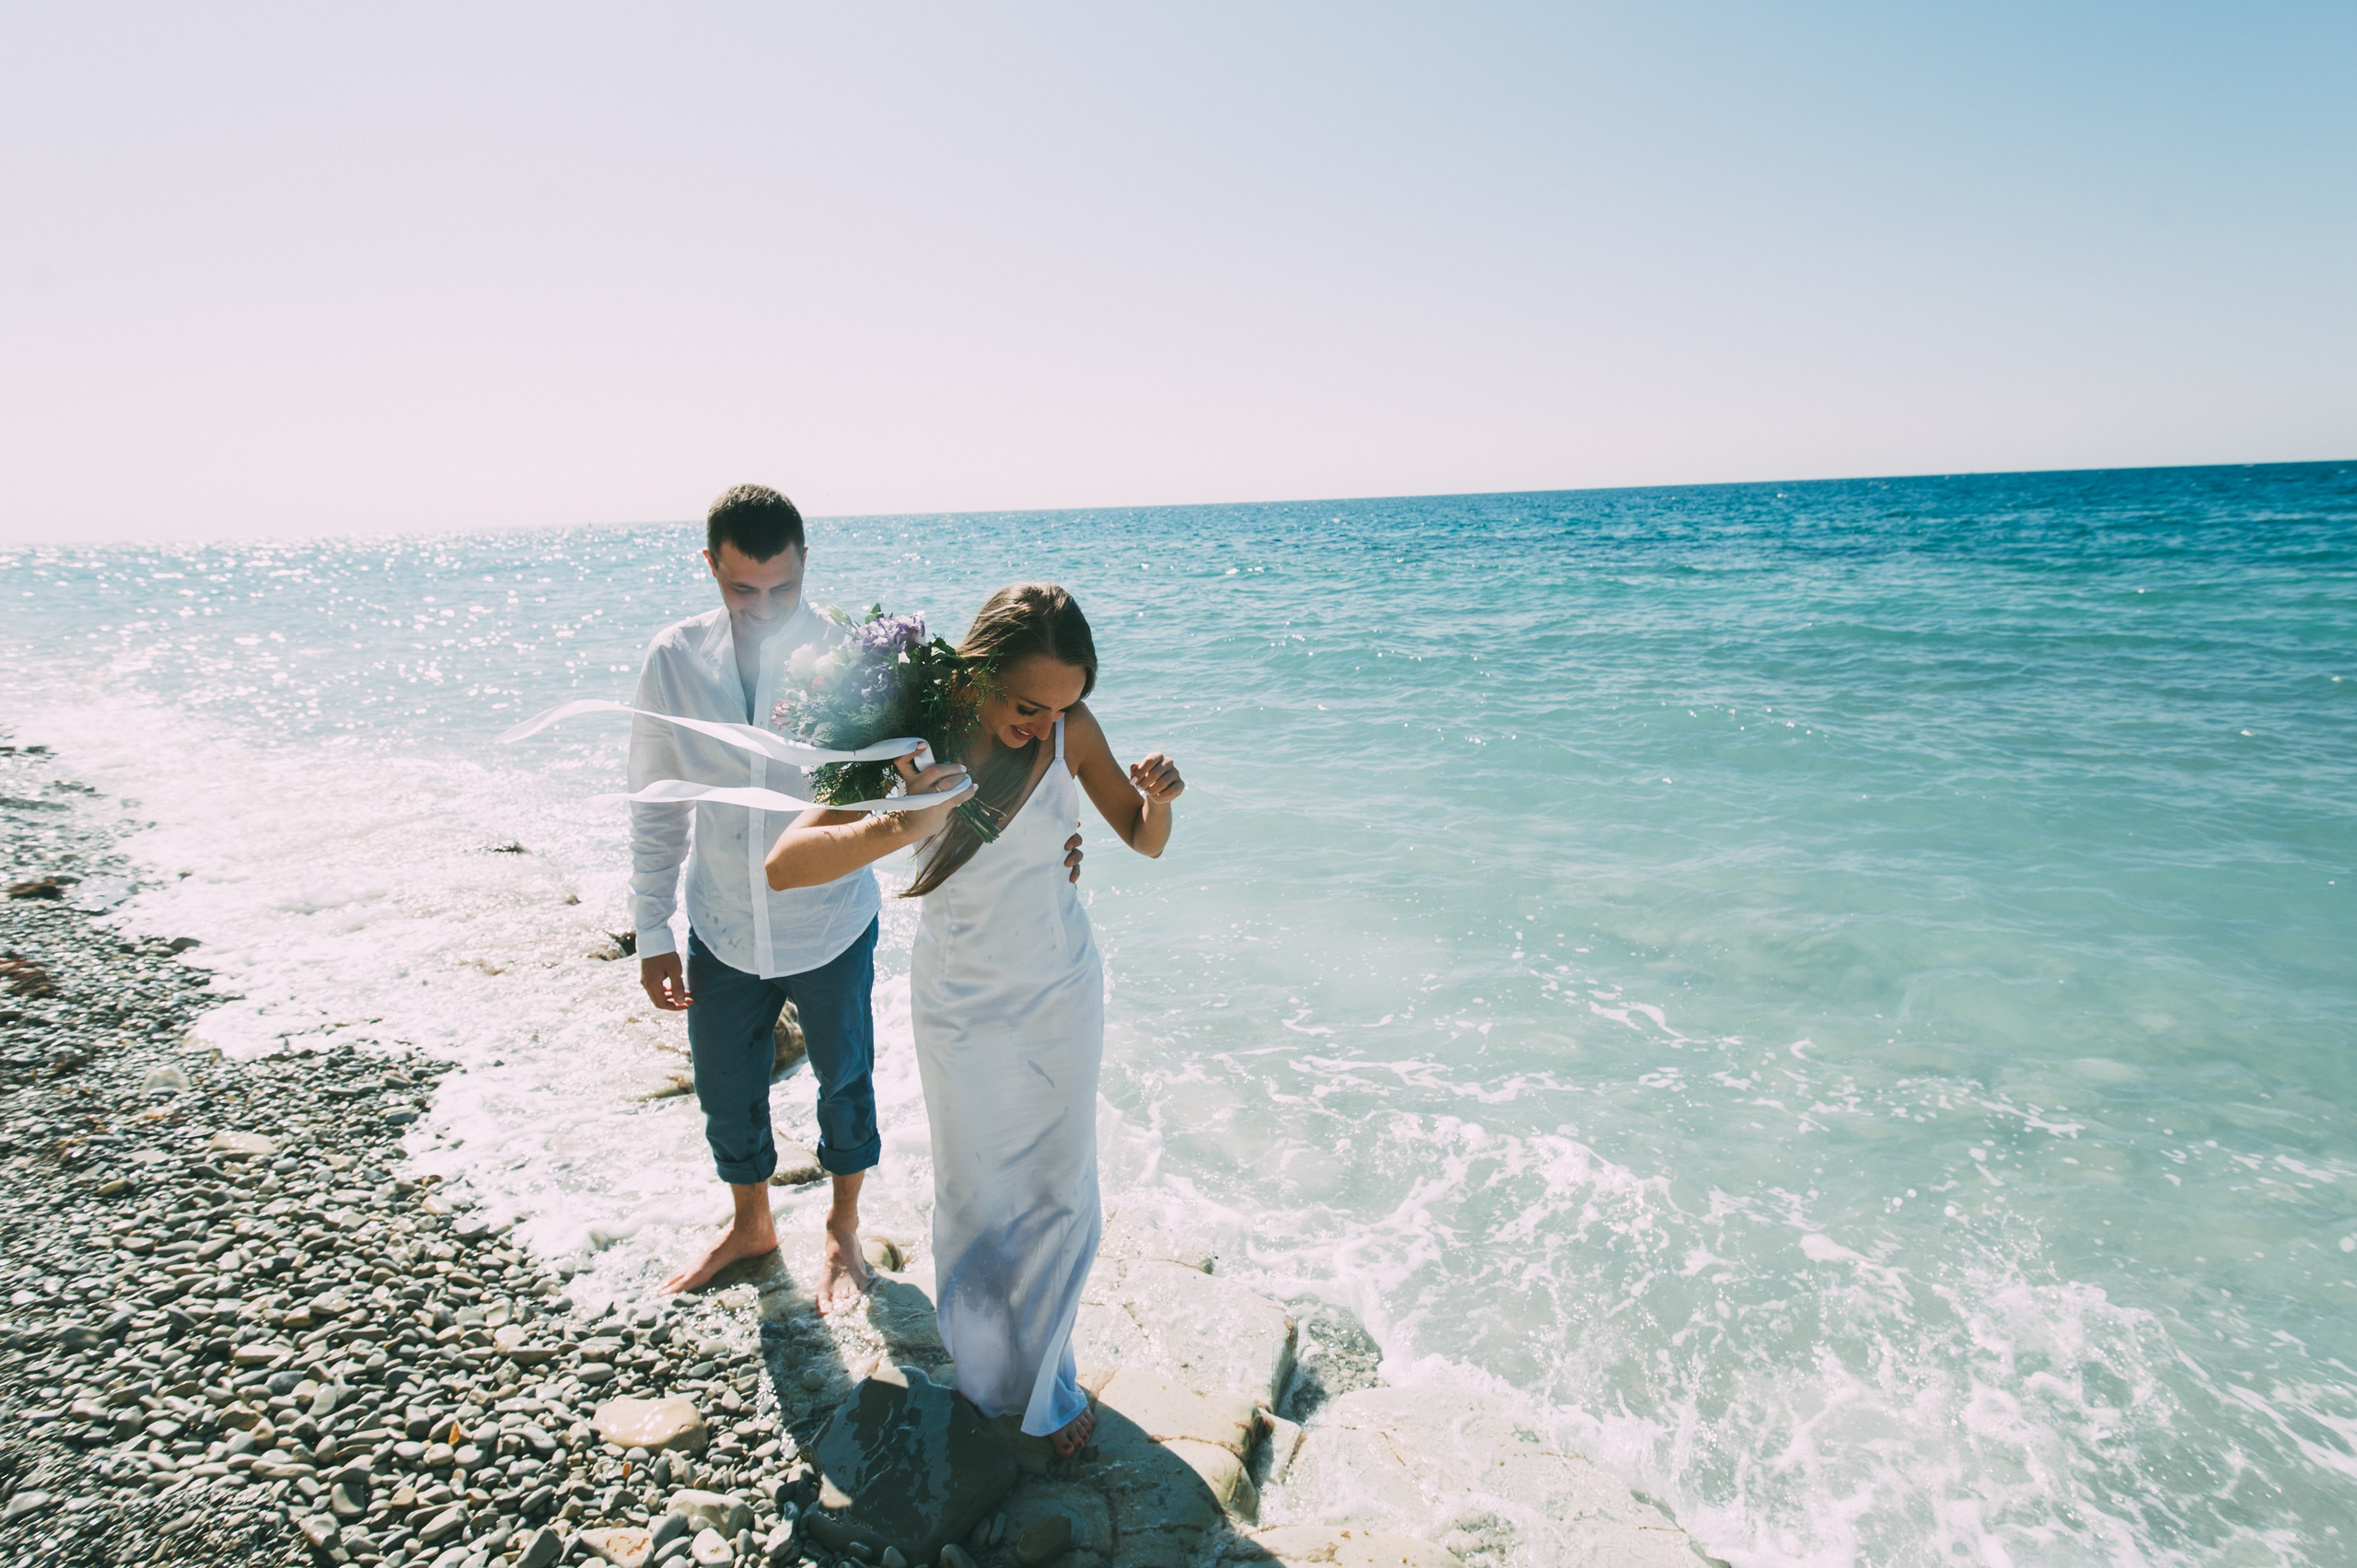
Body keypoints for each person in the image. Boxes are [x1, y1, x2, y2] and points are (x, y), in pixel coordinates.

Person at [629, 487, 1087, 1310]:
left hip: (831, 918)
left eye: (782, 586)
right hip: (721, 917)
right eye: (741, 588)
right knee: (725, 1087)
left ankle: (843, 1230)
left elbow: (950, 758)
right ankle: (751, 1226)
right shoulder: (673, 658)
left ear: (806, 562)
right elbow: (657, 796)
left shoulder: (856, 659)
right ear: (710, 567)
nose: (764, 606)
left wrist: (1050, 843)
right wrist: (651, 926)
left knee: (846, 1084)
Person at [764, 583, 1184, 1457]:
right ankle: (991, 1373)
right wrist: (905, 823)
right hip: (961, 1003)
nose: (1044, 725)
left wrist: (1163, 800)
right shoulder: (914, 736)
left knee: (1060, 1190)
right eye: (1028, 706)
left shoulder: (1071, 731)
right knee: (976, 1192)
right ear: (976, 669)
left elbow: (1143, 838)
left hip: (1062, 989)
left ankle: (1046, 1376)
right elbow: (786, 862)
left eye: (1062, 708)